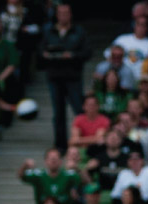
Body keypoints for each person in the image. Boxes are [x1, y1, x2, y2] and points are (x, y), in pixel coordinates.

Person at [40, 4, 90, 151]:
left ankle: (84, 141)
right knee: (58, 113)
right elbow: (40, 50)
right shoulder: (49, 31)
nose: (63, 16)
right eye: (60, 13)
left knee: (79, 109)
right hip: (54, 76)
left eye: (66, 13)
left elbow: (87, 52)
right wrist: (46, 55)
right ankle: (60, 145)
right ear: (56, 15)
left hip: (73, 76)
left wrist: (72, 55)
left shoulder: (79, 31)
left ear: (71, 14)